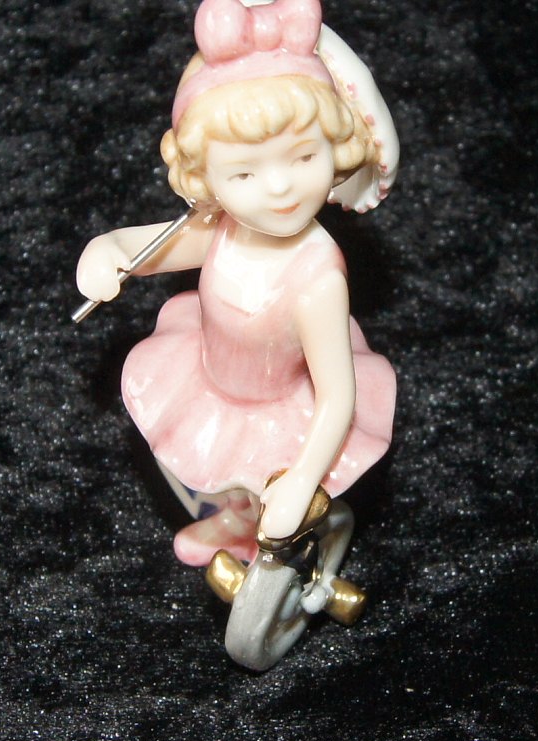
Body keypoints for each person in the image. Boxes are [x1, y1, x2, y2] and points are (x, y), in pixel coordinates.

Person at [76, 0, 397, 597]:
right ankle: (232, 520)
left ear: (336, 150)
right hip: (211, 377)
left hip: (280, 402)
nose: (279, 188)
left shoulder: (318, 278)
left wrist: (301, 479)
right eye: (244, 174)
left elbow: (337, 395)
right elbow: (151, 249)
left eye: (304, 157)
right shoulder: (222, 229)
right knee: (208, 464)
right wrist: (108, 249)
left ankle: (258, 535)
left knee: (261, 478)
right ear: (206, 182)